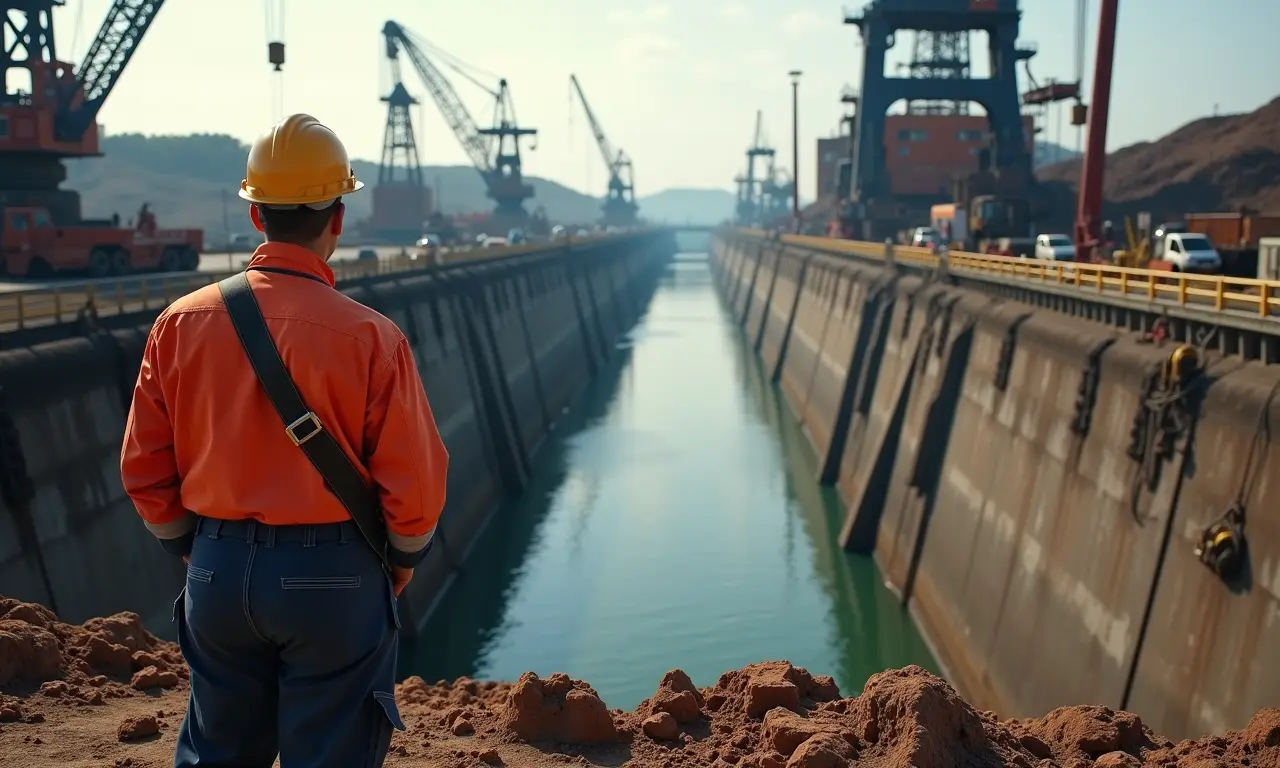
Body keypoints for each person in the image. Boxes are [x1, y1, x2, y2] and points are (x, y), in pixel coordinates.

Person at [120, 113, 449, 767]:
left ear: (255, 217)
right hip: (333, 575)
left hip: (214, 568)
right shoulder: (371, 338)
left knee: (218, 751)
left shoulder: (179, 324)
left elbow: (143, 468)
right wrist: (400, 561)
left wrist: (198, 549)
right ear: (338, 219)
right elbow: (414, 483)